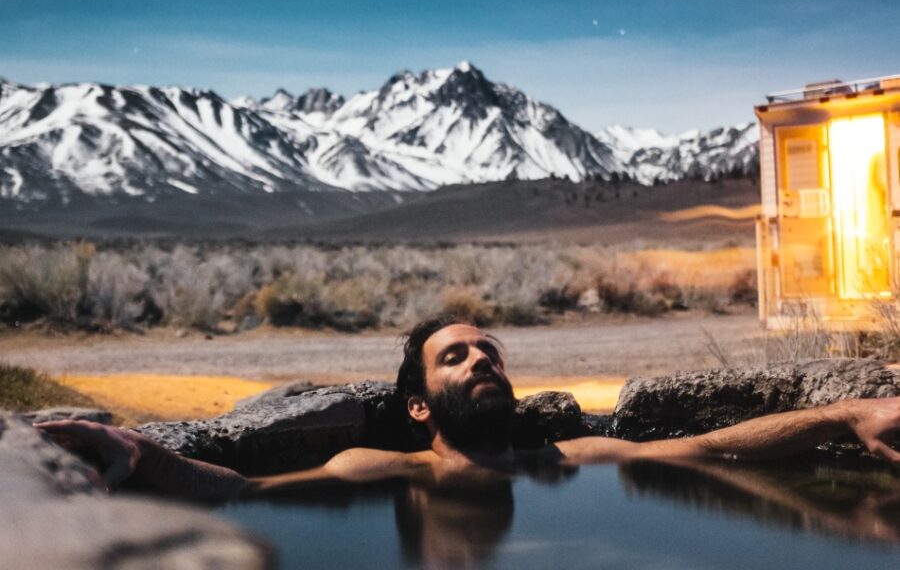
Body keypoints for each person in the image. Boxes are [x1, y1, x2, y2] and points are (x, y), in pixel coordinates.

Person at [36, 315, 900, 501]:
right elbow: (247, 493)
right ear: (417, 407)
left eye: (491, 351)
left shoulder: (568, 461)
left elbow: (716, 446)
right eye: (457, 356)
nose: (484, 358)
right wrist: (144, 454)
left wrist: (843, 415)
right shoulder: (378, 470)